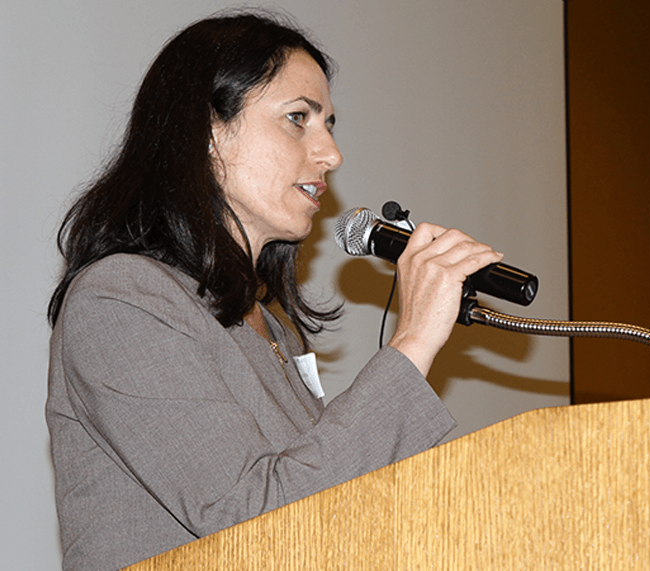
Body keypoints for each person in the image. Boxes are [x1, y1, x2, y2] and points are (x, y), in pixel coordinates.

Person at [46, 10, 504, 571]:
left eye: (329, 124)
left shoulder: (270, 327)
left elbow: (326, 505)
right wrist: (411, 342)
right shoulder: (121, 299)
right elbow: (253, 521)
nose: (331, 154)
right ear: (209, 133)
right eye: (297, 119)